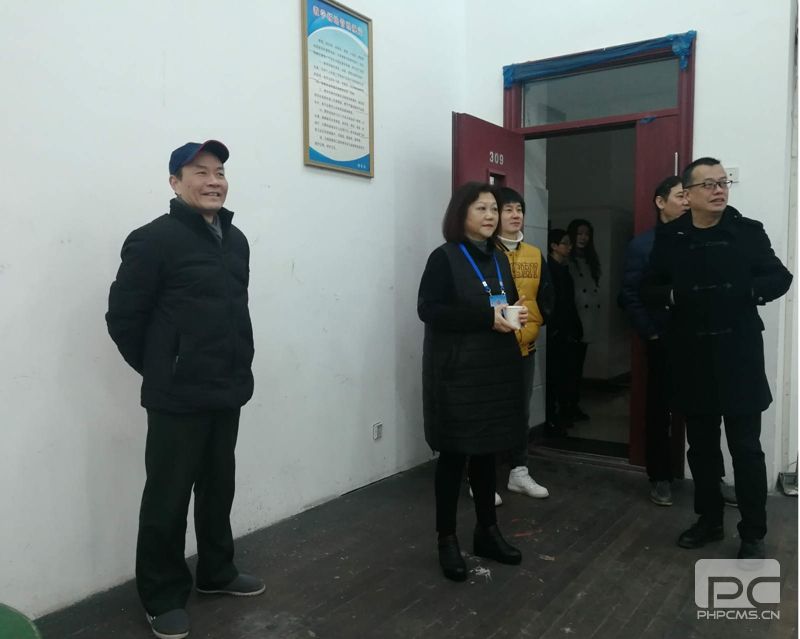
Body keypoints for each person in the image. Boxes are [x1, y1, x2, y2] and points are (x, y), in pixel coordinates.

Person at [106, 140, 264, 639]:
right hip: (177, 396)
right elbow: (123, 318)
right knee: (168, 498)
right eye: (200, 171)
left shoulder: (236, 240)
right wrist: (164, 367)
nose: (214, 181)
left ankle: (217, 570)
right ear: (175, 182)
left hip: (227, 387)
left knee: (218, 487)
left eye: (220, 172)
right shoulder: (152, 240)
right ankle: (161, 594)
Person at [645, 157, 792, 560]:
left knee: (746, 449)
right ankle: (709, 520)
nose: (718, 190)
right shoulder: (671, 236)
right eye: (708, 184)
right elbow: (649, 288)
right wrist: (673, 296)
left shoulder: (747, 231)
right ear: (688, 194)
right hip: (692, 355)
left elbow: (779, 277)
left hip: (738, 354)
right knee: (702, 448)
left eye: (723, 182)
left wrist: (748, 292)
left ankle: (753, 533)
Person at [418, 182, 527, 582]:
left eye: (494, 209)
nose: (490, 216)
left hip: (494, 372)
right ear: (460, 213)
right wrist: (486, 318)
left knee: (486, 454)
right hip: (457, 376)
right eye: (481, 208)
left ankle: (487, 531)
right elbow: (429, 309)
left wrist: (514, 314)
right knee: (453, 458)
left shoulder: (498, 257)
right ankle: (446, 540)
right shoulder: (444, 257)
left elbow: (503, 302)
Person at [619, 176, 688, 507]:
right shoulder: (643, 245)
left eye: (688, 196)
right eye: (680, 196)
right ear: (660, 202)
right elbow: (630, 295)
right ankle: (660, 476)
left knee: (704, 410)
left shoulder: (699, 239)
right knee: (659, 409)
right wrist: (652, 332)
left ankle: (711, 478)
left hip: (699, 339)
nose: (686, 202)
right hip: (662, 338)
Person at [495, 187, 554, 499]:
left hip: (524, 348)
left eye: (519, 209)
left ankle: (519, 471)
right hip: (492, 348)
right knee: (488, 412)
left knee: (520, 412)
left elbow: (547, 297)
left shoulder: (534, 253)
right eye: (508, 209)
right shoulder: (485, 253)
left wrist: (537, 321)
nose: (515, 215)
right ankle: (480, 476)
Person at [545, 228, 583, 434]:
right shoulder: (549, 270)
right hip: (555, 330)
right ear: (554, 246)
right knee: (554, 376)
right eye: (565, 243)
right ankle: (551, 418)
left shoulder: (564, 269)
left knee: (567, 374)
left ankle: (565, 412)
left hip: (566, 329)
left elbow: (569, 303)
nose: (569, 247)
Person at [566, 218, 601, 421]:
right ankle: (567, 407)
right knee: (569, 368)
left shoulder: (590, 261)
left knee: (578, 366)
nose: (583, 238)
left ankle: (574, 404)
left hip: (587, 321)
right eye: (579, 233)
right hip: (573, 322)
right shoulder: (566, 260)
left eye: (587, 234)